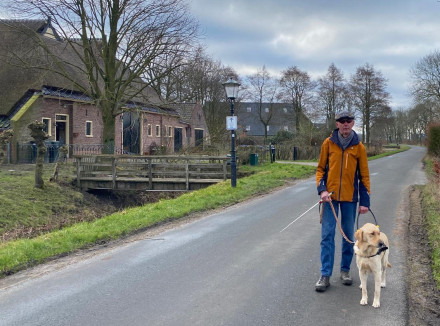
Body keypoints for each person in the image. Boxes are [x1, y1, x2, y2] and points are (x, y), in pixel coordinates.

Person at [315, 111, 371, 292]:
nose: (345, 124)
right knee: (327, 236)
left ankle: (345, 270)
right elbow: (320, 169)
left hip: (350, 199)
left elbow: (364, 176)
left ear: (353, 123)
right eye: (342, 121)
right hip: (329, 198)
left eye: (348, 121)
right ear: (337, 124)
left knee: (348, 237)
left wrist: (365, 201)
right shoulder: (328, 143)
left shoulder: (359, 147)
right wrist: (322, 189)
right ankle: (325, 275)